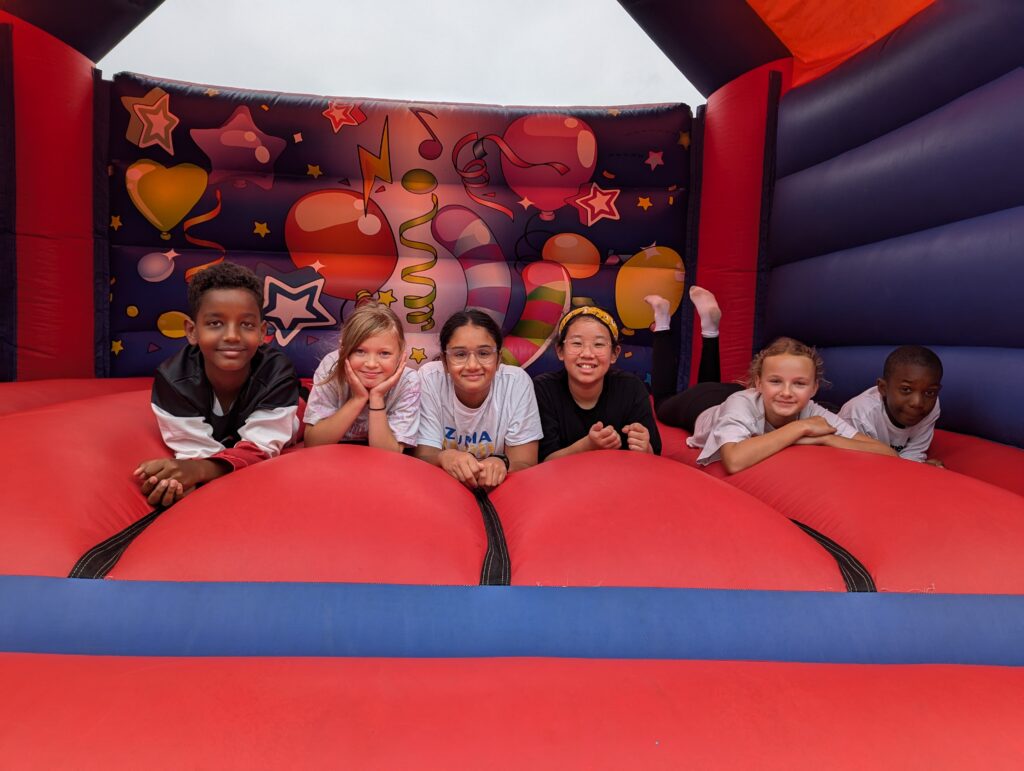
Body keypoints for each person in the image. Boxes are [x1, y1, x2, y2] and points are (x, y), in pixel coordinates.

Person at [649, 288, 895, 473]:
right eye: (776, 381)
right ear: (758, 381)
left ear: (814, 388)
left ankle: (711, 326)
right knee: (662, 403)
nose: (787, 392)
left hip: (742, 397)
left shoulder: (811, 410)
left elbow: (887, 453)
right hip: (703, 404)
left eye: (799, 383)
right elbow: (733, 461)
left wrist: (827, 438)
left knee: (716, 387)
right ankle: (663, 321)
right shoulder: (748, 405)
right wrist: (801, 428)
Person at [134, 261, 301, 506]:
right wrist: (180, 478)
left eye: (246, 324)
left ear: (262, 332)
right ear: (192, 331)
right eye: (215, 323)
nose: (232, 336)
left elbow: (262, 449)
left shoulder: (277, 372)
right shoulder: (173, 380)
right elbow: (195, 451)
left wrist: (197, 471)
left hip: (289, 414)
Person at [415, 310, 541, 490]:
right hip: (443, 490)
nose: (472, 365)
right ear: (444, 361)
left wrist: (502, 464)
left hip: (500, 491)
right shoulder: (430, 378)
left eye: (484, 353)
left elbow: (525, 463)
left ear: (498, 359)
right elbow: (423, 457)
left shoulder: (516, 382)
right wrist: (445, 457)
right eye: (460, 355)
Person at [533, 306, 661, 460]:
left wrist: (645, 448)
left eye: (599, 344)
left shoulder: (631, 388)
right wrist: (587, 446)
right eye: (577, 343)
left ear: (614, 354)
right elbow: (542, 463)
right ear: (560, 351)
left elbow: (655, 455)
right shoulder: (543, 391)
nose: (587, 353)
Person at [303, 302, 419, 452]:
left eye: (384, 353)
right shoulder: (332, 366)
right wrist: (358, 399)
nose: (371, 364)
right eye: (360, 351)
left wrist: (376, 397)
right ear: (343, 349)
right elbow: (312, 443)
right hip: (334, 454)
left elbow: (389, 455)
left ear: (400, 354)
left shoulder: (408, 381)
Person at [839, 345, 943, 465]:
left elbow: (913, 454)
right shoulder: (859, 416)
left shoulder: (931, 406)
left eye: (930, 392)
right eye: (906, 389)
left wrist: (920, 468)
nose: (917, 403)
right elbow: (852, 465)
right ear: (883, 388)